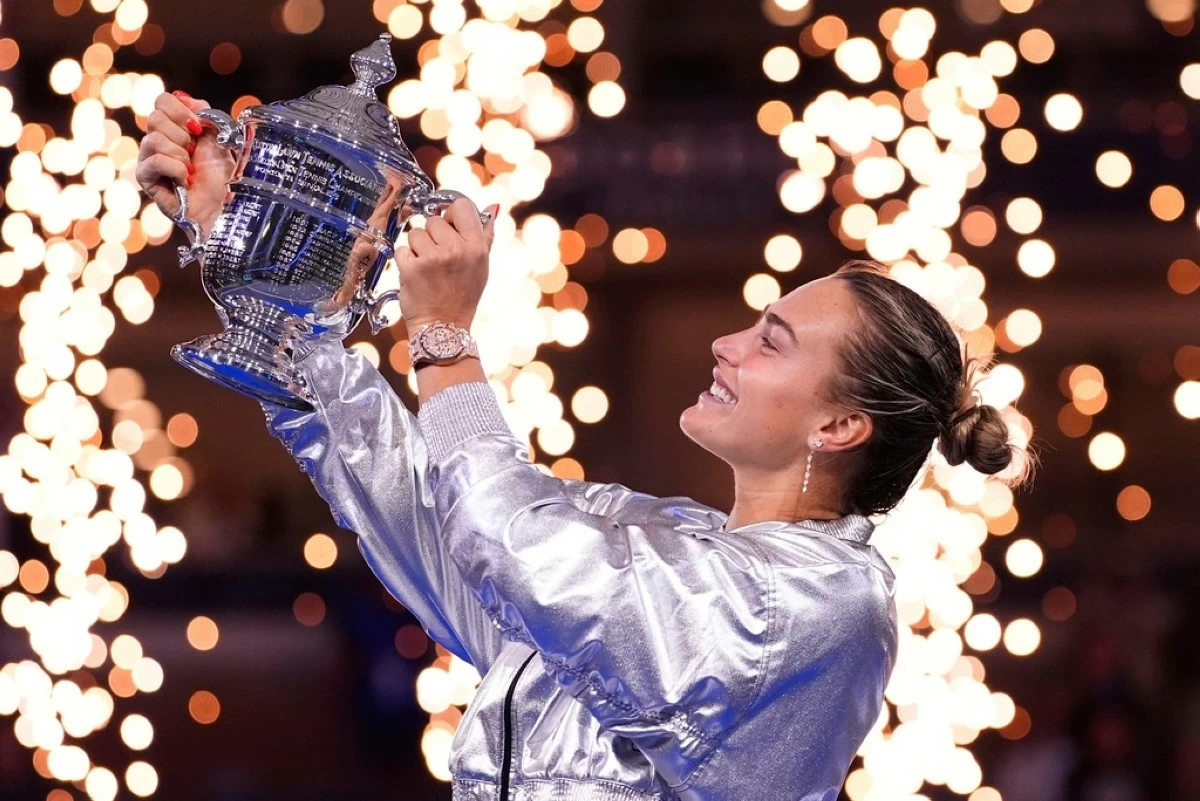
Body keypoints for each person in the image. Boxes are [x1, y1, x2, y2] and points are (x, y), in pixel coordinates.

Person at [138, 91, 1027, 801]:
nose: (728, 345)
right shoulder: (646, 539)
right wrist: (245, 241)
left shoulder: (824, 607)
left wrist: (444, 337)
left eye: (772, 342)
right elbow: (437, 518)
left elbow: (514, 541)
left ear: (838, 428)